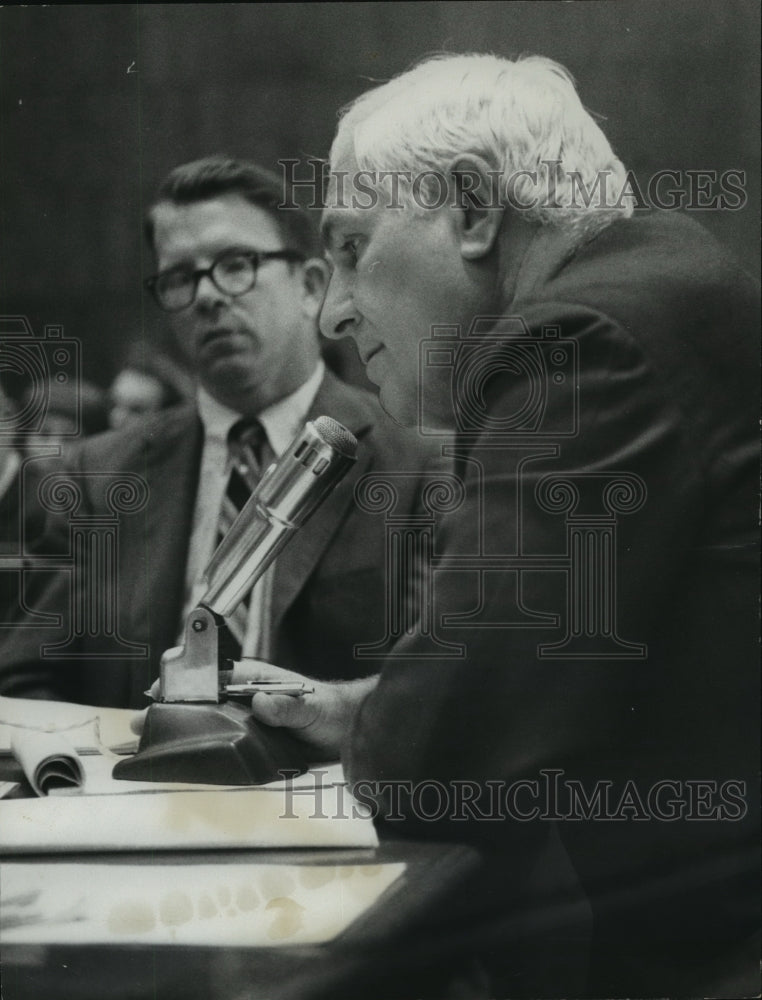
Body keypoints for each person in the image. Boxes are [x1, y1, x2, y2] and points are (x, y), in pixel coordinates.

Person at [235, 55, 760, 998]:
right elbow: (545, 677)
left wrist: (394, 725)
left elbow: (442, 751)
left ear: (473, 211)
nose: (335, 310)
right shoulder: (658, 282)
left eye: (352, 248)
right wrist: (370, 707)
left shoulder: (582, 340)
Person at [0, 156, 439, 708]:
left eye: (236, 264)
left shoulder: (416, 467)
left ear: (310, 287)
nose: (207, 296)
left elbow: (438, 689)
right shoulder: (93, 478)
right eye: (180, 278)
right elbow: (23, 687)